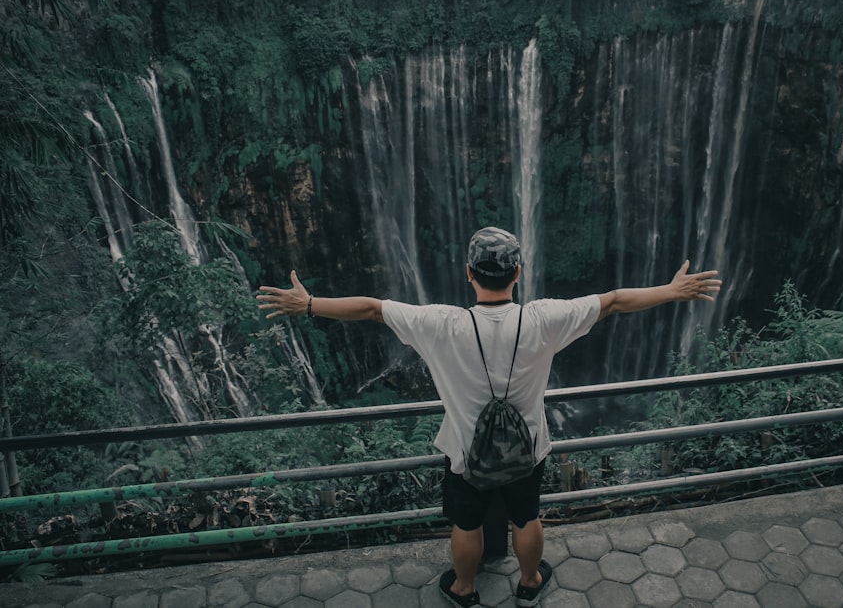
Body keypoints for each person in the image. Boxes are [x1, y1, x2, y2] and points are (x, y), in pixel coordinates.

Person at [256, 227, 722, 608]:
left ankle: (464, 590)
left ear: (468, 274)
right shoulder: (544, 318)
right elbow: (616, 300)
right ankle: (528, 583)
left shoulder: (441, 324)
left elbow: (374, 309)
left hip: (464, 452)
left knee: (466, 524)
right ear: (518, 272)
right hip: (530, 448)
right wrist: (672, 290)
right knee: (527, 517)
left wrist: (309, 304)